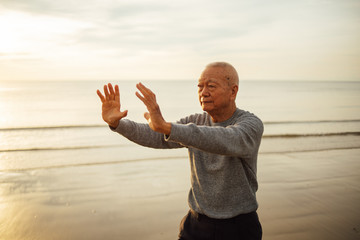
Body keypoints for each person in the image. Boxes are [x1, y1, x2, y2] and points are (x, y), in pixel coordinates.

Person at [96, 62, 263, 240]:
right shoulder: (195, 121)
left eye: (211, 86)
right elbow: (158, 135)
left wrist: (168, 128)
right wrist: (117, 124)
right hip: (196, 225)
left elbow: (226, 139)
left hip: (239, 229)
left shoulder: (250, 124)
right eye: (200, 86)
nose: (203, 92)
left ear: (233, 91)